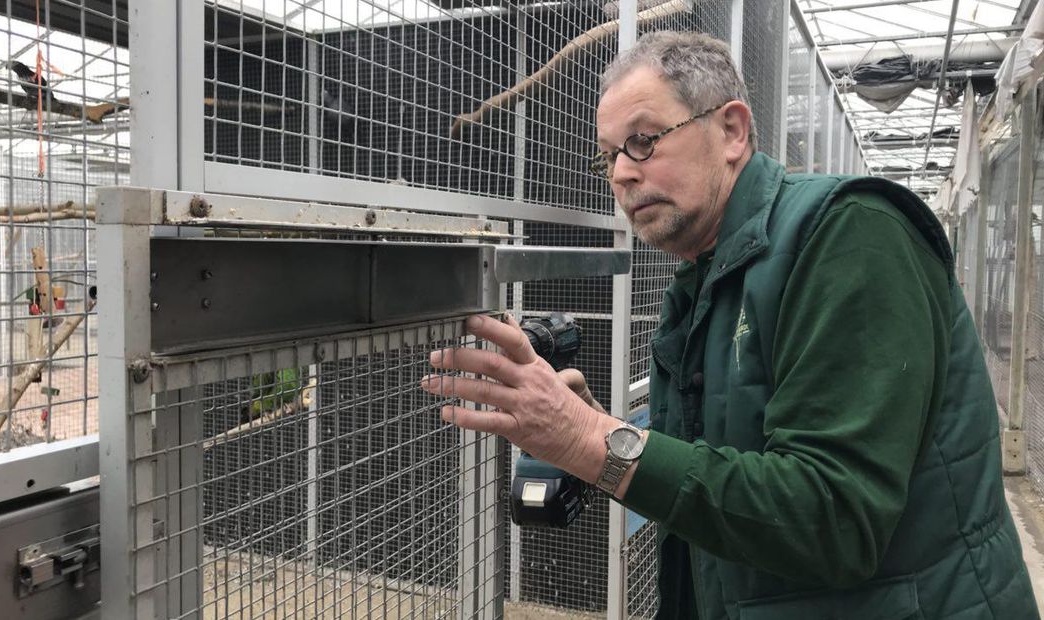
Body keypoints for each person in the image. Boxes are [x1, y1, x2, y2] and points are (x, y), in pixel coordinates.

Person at [420, 31, 1039, 619]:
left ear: (732, 130)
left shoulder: (851, 234)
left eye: (643, 140)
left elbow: (836, 520)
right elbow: (712, 473)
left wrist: (589, 439)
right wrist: (594, 435)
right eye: (609, 155)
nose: (621, 174)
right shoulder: (703, 276)